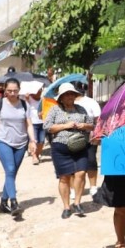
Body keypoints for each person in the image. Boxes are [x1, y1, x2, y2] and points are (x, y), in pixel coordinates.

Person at [0, 78, 37, 217]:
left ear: (19, 90)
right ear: (5, 90)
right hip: (3, 142)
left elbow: (29, 124)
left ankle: (3, 203)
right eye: (9, 91)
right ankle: (14, 202)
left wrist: (32, 141)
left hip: (21, 143)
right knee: (10, 169)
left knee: (12, 174)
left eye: (15, 90)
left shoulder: (24, 105)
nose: (12, 93)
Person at [44, 83, 94, 219]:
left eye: (72, 94)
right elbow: (48, 127)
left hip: (80, 146)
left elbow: (91, 125)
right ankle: (66, 206)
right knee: (64, 177)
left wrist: (84, 125)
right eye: (67, 94)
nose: (70, 96)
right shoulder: (55, 110)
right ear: (61, 97)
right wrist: (65, 126)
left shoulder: (81, 109)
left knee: (81, 173)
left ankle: (77, 202)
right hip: (61, 147)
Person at [74, 80, 102, 196]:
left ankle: (93, 186)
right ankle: (73, 188)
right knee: (74, 162)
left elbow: (97, 119)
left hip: (89, 135)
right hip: (72, 137)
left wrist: (97, 133)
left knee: (91, 160)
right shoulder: (67, 103)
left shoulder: (91, 102)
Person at [25, 86, 45, 164]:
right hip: (32, 123)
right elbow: (25, 108)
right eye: (37, 90)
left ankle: (37, 154)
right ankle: (34, 156)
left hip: (42, 122)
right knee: (33, 140)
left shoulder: (43, 99)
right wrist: (27, 99)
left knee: (42, 141)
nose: (38, 91)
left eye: (40, 90)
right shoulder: (29, 98)